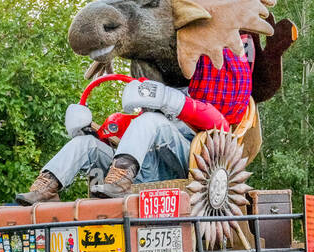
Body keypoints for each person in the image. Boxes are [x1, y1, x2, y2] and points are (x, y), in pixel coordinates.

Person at [16, 53, 249, 204]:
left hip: (186, 167)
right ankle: (47, 187)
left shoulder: (200, 97)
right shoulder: (147, 108)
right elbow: (126, 134)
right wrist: (92, 131)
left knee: (150, 122)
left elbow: (219, 125)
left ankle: (119, 180)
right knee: (85, 143)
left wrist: (170, 99)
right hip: (141, 170)